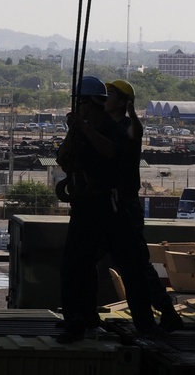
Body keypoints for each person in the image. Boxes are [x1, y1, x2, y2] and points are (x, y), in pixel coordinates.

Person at [56, 75, 160, 344]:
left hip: (112, 207)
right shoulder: (85, 126)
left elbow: (111, 150)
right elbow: (65, 159)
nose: (79, 108)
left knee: (131, 266)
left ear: (92, 104)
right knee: (76, 265)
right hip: (88, 206)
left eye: (82, 103)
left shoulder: (118, 128)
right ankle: (80, 320)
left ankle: (147, 322)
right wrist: (74, 130)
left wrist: (82, 128)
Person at [105, 79, 183, 333]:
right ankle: (157, 315)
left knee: (138, 264)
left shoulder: (128, 126)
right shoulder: (107, 126)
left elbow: (136, 134)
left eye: (111, 95)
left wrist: (132, 114)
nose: (107, 98)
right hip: (114, 203)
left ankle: (165, 311)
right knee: (132, 264)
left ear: (124, 102)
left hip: (125, 204)